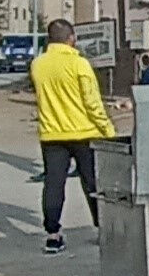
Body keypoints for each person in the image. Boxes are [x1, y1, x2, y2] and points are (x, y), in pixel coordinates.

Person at [30, 19, 116, 255]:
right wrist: (108, 130)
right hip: (84, 132)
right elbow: (92, 102)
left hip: (52, 134)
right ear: (72, 38)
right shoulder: (80, 64)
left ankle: (53, 235)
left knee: (54, 183)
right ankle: (104, 229)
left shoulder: (38, 64)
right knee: (93, 183)